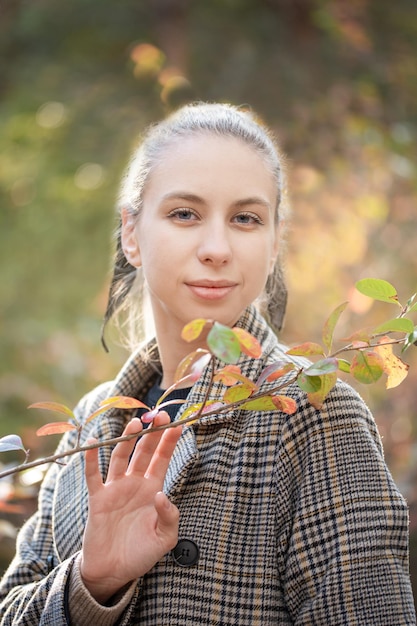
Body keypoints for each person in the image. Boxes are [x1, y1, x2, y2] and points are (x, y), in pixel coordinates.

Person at [0, 102, 415, 625]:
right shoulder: (91, 423)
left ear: (272, 245)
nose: (216, 248)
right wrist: (91, 581)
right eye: (184, 214)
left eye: (245, 219)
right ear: (132, 233)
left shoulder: (314, 411)